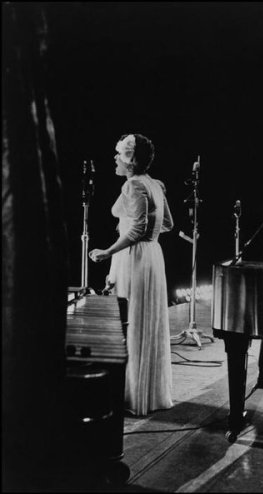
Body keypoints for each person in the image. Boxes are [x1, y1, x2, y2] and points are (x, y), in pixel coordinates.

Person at [89, 133, 175, 416]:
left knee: (132, 320)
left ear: (130, 160)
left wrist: (107, 252)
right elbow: (167, 225)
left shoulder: (133, 185)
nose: (115, 158)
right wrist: (147, 233)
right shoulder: (154, 184)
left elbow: (136, 231)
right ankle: (144, 390)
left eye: (119, 155)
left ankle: (132, 394)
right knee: (142, 318)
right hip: (151, 255)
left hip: (135, 258)